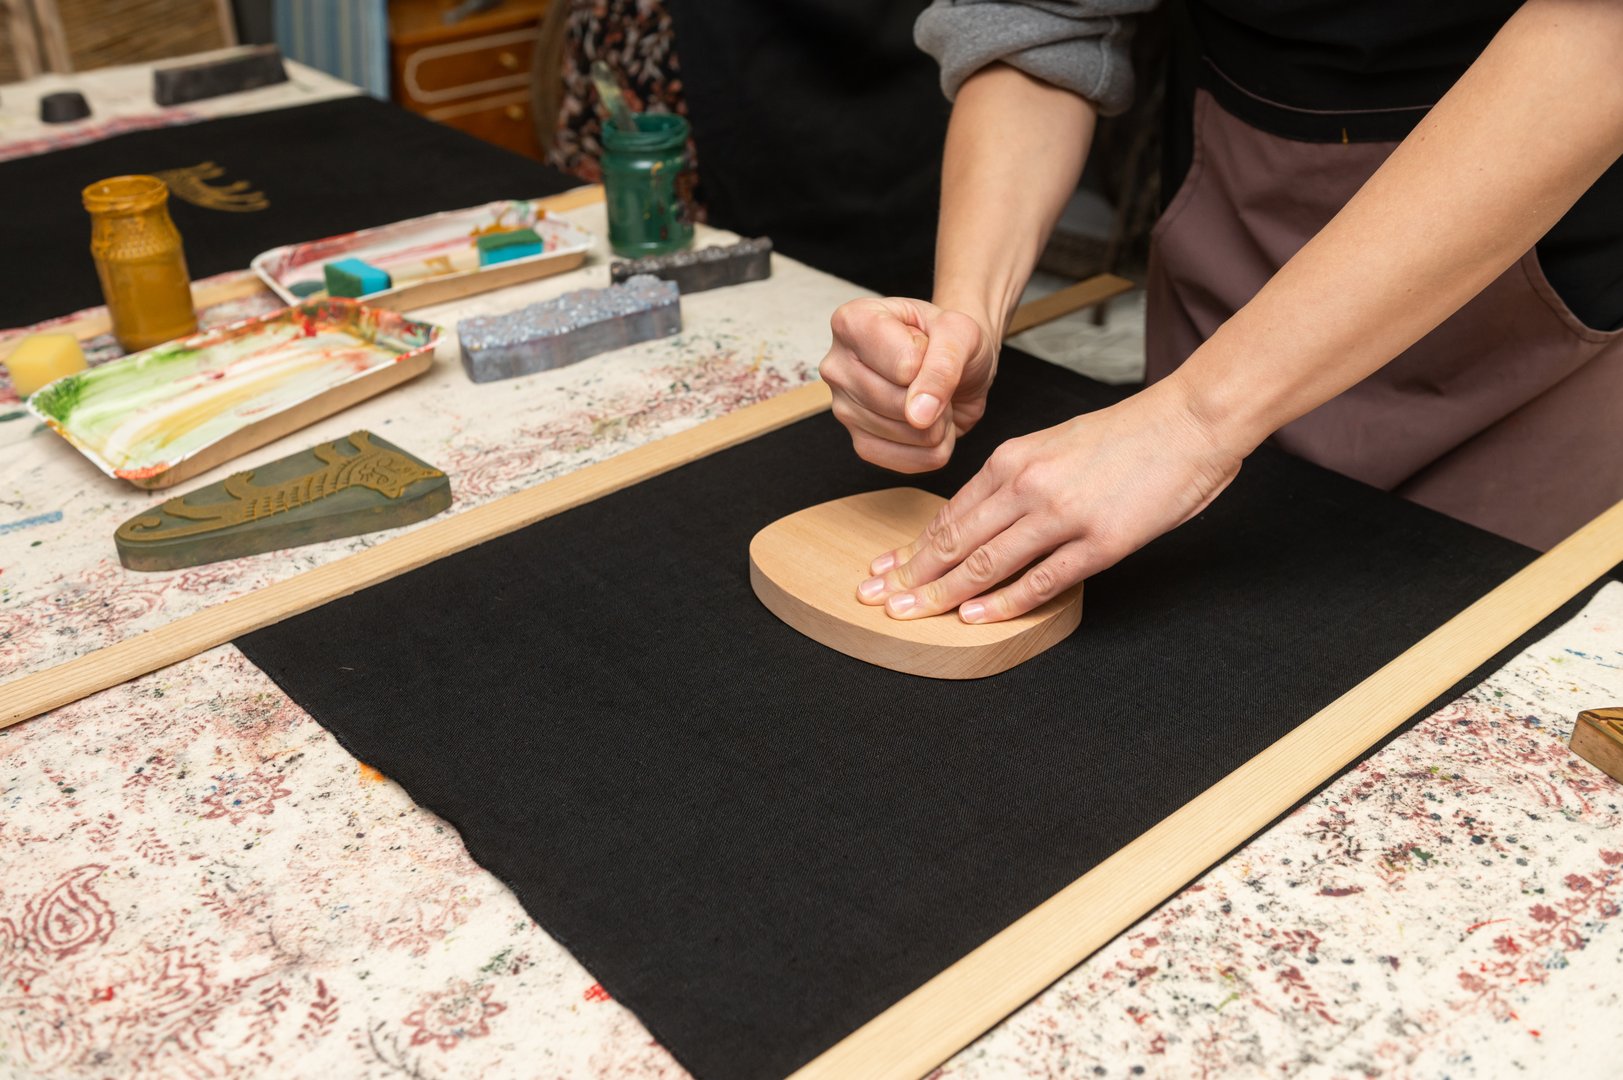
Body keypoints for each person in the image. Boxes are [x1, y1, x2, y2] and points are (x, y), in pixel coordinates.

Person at [819, 0, 1623, 627]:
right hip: (1234, 217)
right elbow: (1045, 17)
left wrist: (1194, 420)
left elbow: (1598, 35)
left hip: (1545, 311)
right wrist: (967, 317)